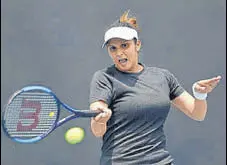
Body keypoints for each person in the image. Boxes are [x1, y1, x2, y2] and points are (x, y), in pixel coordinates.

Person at [89, 10, 221, 165]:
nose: (119, 53)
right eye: (113, 48)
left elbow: (197, 113)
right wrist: (100, 120)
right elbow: (97, 130)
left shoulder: (163, 77)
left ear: (137, 45)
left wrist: (199, 94)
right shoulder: (104, 78)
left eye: (124, 45)